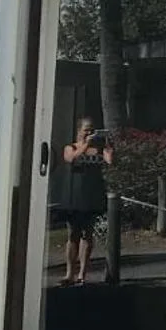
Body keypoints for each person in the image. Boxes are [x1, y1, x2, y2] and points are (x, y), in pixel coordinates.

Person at [55, 116, 112, 285]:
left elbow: (109, 162)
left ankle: (82, 273)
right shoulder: (70, 147)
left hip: (91, 194)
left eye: (92, 129)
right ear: (79, 130)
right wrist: (86, 144)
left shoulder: (98, 150)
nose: (89, 132)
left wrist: (108, 149)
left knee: (88, 234)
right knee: (73, 234)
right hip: (74, 195)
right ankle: (69, 273)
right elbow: (71, 159)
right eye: (86, 129)